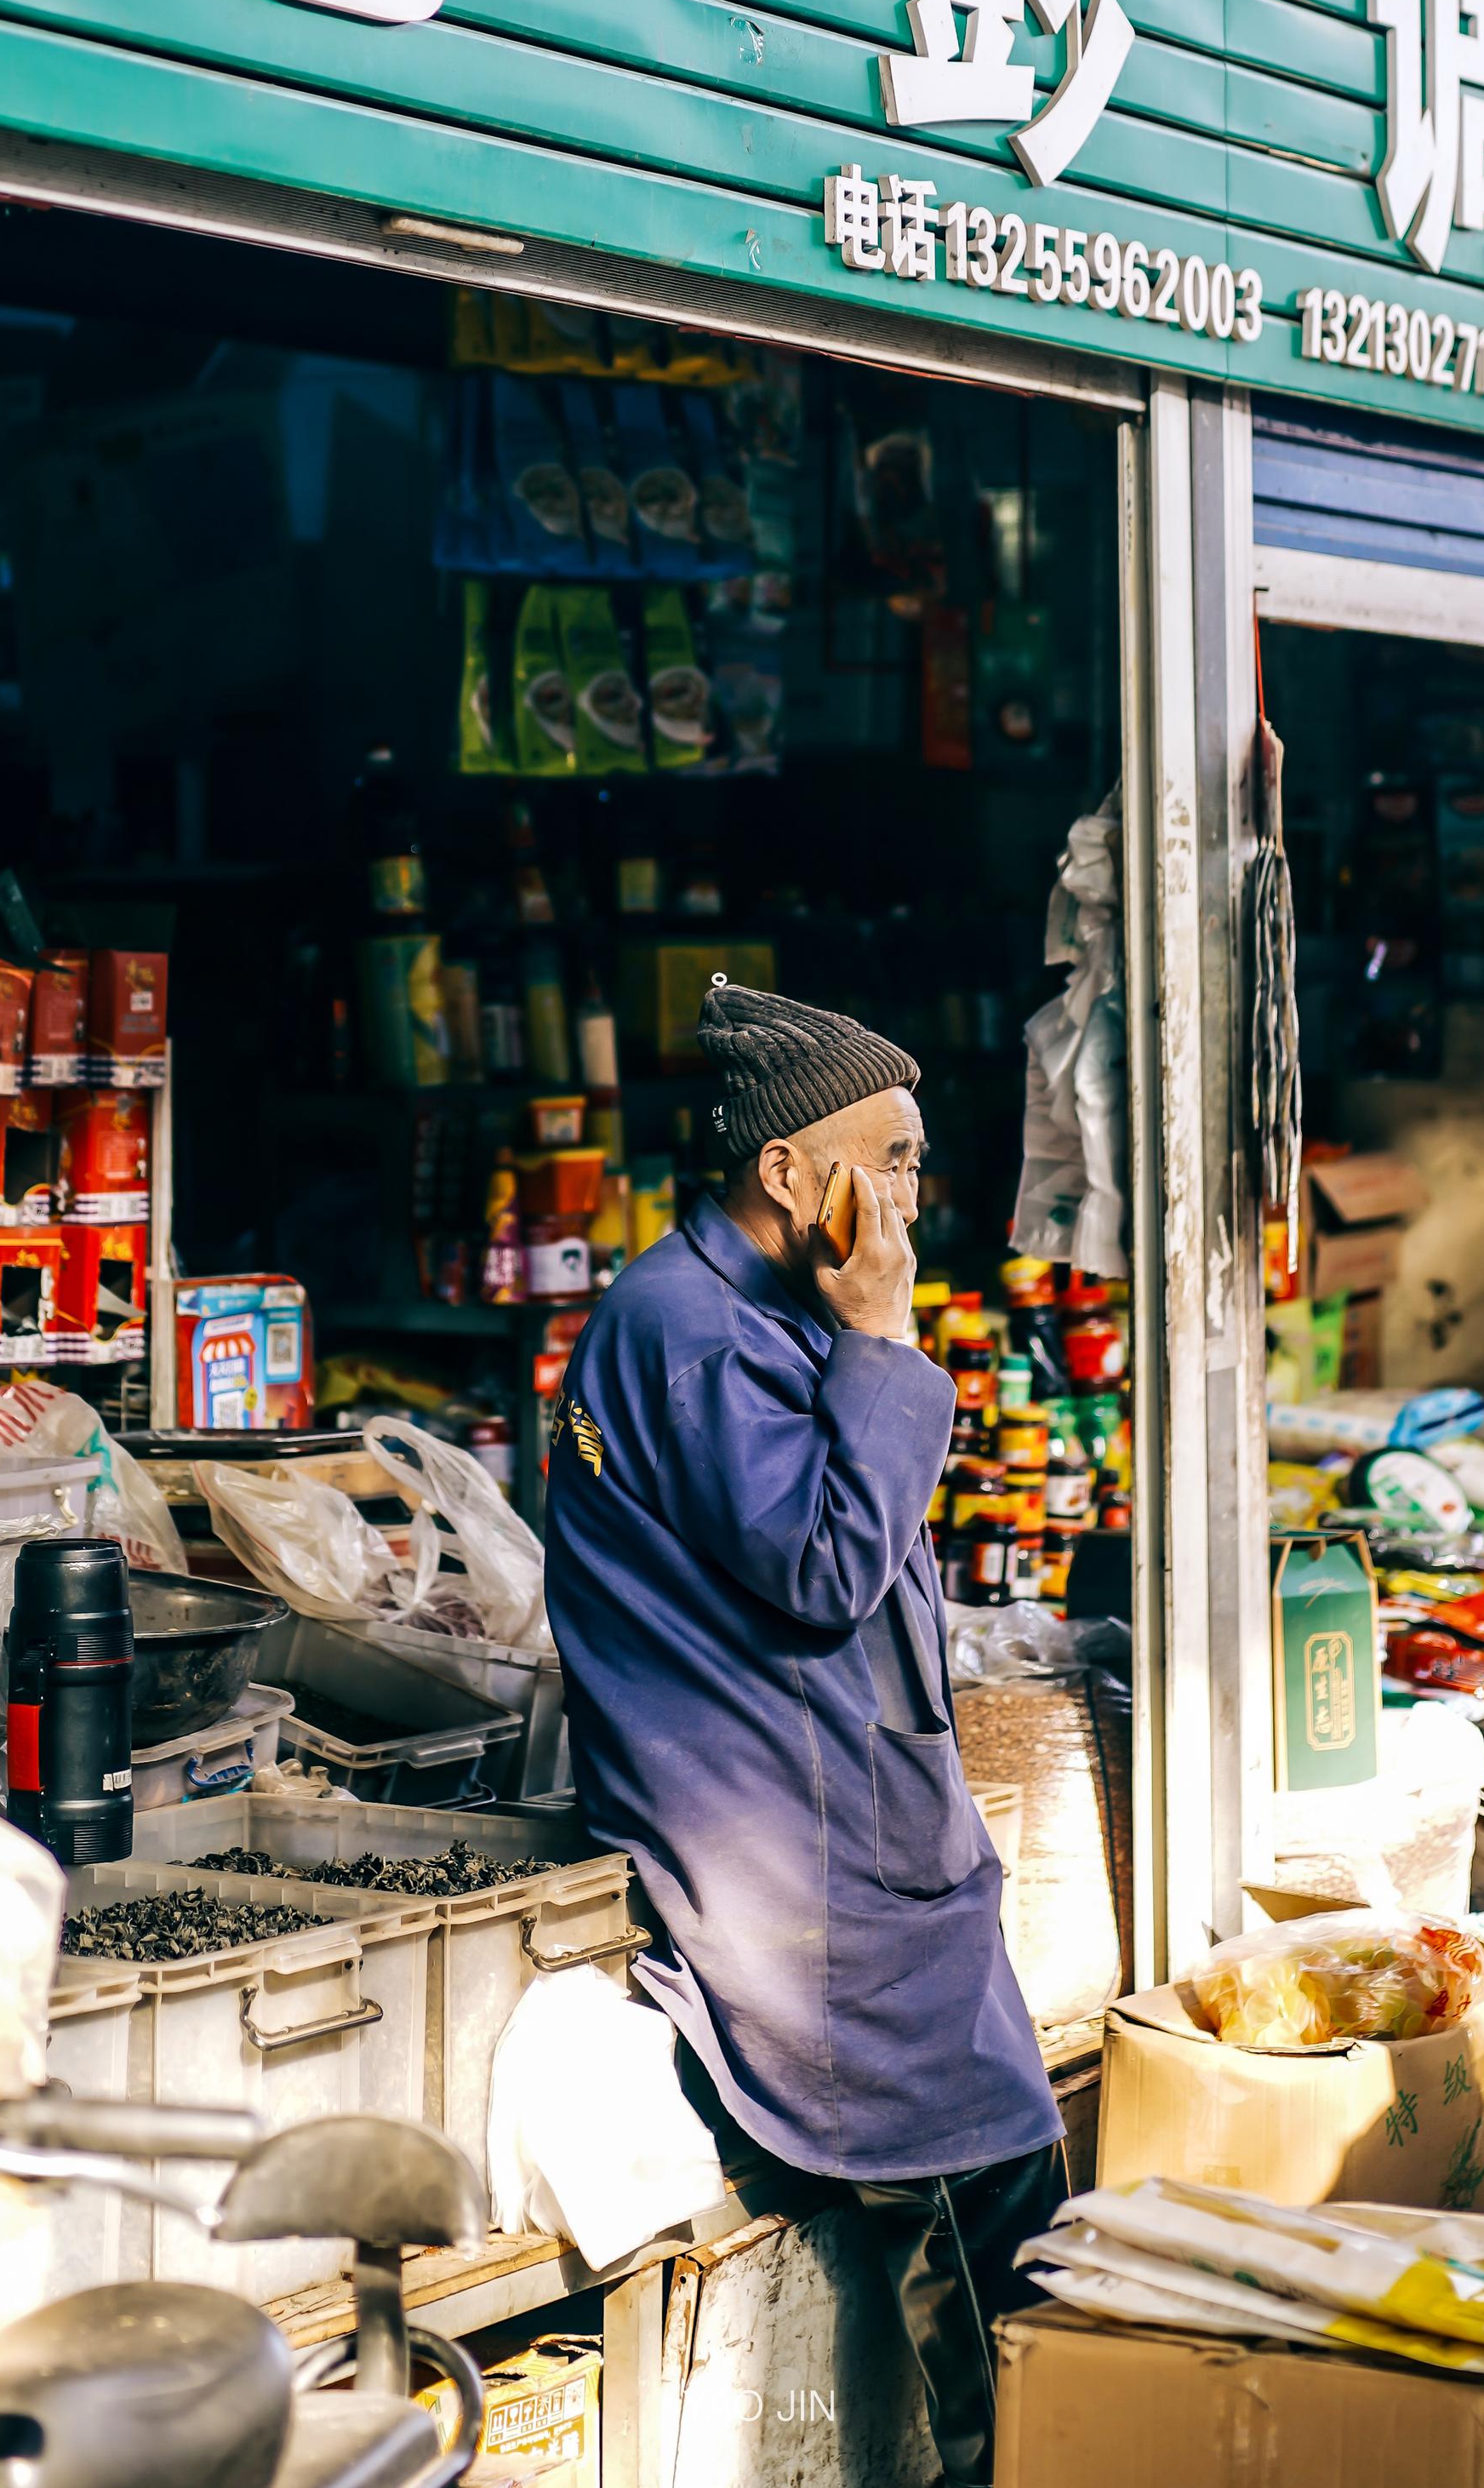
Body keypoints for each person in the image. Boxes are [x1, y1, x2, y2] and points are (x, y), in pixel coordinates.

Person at [545, 980, 1064, 2484]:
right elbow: (827, 1570)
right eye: (887, 1158)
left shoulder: (755, 1313)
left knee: (1004, 2199)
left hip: (863, 1833)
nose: (911, 1190)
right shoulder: (692, 1331)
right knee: (983, 2218)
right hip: (802, 1869)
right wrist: (887, 1334)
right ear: (788, 1172)